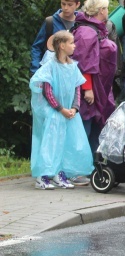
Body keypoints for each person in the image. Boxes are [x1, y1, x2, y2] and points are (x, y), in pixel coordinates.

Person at [30, 31, 93, 189]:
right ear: (62, 45)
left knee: (66, 143)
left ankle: (59, 172)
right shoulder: (50, 66)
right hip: (54, 112)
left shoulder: (72, 66)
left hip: (69, 113)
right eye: (71, 43)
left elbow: (77, 88)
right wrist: (60, 109)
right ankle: (43, 174)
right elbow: (47, 90)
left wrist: (74, 108)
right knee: (50, 143)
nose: (74, 45)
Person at [72, 0, 118, 156]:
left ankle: (93, 165)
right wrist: (88, 88)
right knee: (85, 125)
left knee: (96, 125)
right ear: (100, 10)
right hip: (89, 89)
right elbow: (83, 63)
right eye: (106, 8)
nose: (107, 11)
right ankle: (79, 168)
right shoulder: (86, 32)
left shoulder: (96, 29)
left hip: (100, 87)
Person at [31, 0, 82, 74]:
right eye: (63, 4)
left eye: (70, 5)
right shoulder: (50, 22)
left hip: (73, 75)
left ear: (77, 5)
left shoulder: (82, 24)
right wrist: (35, 71)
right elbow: (37, 47)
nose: (65, 8)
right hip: (51, 74)